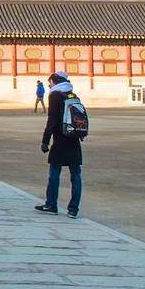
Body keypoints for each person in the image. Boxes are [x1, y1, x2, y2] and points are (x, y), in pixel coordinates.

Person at [36, 72, 84, 218]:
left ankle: (51, 205)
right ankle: (73, 209)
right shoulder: (72, 95)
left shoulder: (55, 95)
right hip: (74, 139)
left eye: (50, 82)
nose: (49, 84)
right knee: (75, 174)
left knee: (54, 173)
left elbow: (52, 120)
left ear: (55, 81)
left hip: (60, 140)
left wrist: (45, 141)